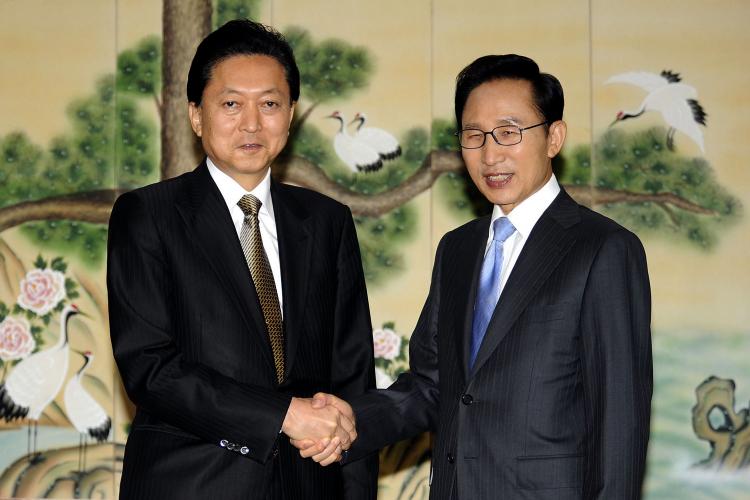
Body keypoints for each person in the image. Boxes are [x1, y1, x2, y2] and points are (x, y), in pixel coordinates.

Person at [297, 54, 652, 499]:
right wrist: (350, 420)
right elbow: (432, 385)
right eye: (473, 135)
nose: (490, 153)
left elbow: (619, 422)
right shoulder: (457, 249)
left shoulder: (603, 249)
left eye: (509, 132)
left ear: (553, 137)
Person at [107, 19, 377, 499]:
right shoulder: (148, 215)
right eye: (231, 104)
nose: (252, 124)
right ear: (196, 115)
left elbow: (352, 380)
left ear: (290, 113)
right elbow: (150, 368)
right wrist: (282, 415)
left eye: (269, 104)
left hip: (308, 486)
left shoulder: (328, 221)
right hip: (190, 484)